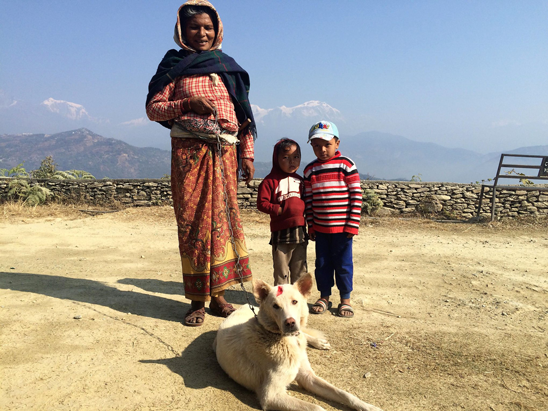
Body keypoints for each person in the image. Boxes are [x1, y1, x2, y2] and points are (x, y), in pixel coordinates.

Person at [145, 0, 256, 326]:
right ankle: (196, 301)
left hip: (224, 155)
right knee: (194, 225)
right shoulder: (173, 66)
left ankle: (219, 296)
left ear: (217, 30)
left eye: (208, 27)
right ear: (182, 30)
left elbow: (245, 118)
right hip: (189, 158)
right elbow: (153, 109)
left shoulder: (228, 68)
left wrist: (246, 154)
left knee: (222, 223)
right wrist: (186, 103)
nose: (202, 33)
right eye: (195, 27)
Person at [303, 121, 362, 318]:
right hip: (320, 230)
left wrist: (353, 225)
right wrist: (311, 224)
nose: (322, 149)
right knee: (322, 264)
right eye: (316, 145)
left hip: (343, 230)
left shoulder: (346, 165)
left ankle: (345, 299)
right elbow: (308, 200)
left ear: (337, 143)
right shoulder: (310, 170)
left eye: (327, 144)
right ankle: (324, 296)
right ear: (311, 146)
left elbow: (356, 196)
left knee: (343, 265)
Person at [257, 139, 307, 285]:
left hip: (300, 231)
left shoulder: (301, 181)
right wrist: (278, 210)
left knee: (299, 268)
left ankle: (298, 299)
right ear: (276, 159)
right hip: (280, 232)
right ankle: (281, 300)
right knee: (281, 269)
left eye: (296, 157)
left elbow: (307, 201)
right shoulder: (270, 181)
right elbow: (262, 203)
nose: (292, 161)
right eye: (286, 158)